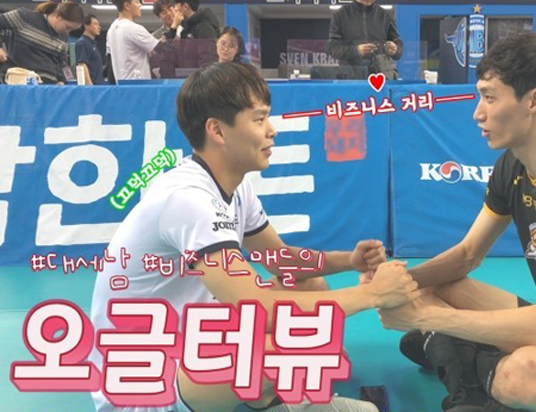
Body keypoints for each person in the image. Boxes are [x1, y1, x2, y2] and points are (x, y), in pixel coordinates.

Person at [89, 62, 419, 412]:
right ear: (217, 130)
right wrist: (373, 294)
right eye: (259, 119)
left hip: (190, 338)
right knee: (284, 345)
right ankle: (281, 396)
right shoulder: (188, 199)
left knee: (309, 287)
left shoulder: (232, 185)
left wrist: (348, 261)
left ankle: (269, 393)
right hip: (143, 383)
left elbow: (282, 261)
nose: (272, 130)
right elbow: (257, 309)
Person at [380, 32, 536, 412]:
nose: (478, 113)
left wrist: (431, 319)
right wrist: (398, 282)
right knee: (428, 287)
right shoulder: (513, 166)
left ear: (534, 101)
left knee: (526, 374)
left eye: (489, 97)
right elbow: (466, 255)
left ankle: (456, 355)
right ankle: (468, 374)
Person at [0, 1, 83, 84]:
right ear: (58, 16)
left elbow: (62, 63)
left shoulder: (63, 36)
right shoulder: (24, 17)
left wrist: (63, 80)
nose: (68, 32)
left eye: (71, 30)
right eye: (68, 27)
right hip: (21, 81)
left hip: (49, 85)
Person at [327, 0, 402, 79]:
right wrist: (356, 50)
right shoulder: (340, 15)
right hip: (351, 77)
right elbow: (333, 49)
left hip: (381, 76)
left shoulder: (385, 15)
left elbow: (398, 46)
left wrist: (396, 49)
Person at [107, 0, 160, 81]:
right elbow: (161, 50)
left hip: (121, 84)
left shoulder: (111, 29)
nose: (140, 5)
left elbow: (109, 59)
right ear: (127, 6)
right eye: (137, 2)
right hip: (137, 84)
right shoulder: (134, 29)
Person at [75, 14, 103, 85]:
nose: (99, 27)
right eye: (95, 24)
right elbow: (82, 65)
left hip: (98, 85)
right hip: (91, 87)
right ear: (86, 26)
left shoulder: (93, 44)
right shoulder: (82, 43)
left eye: (99, 24)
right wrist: (90, 87)